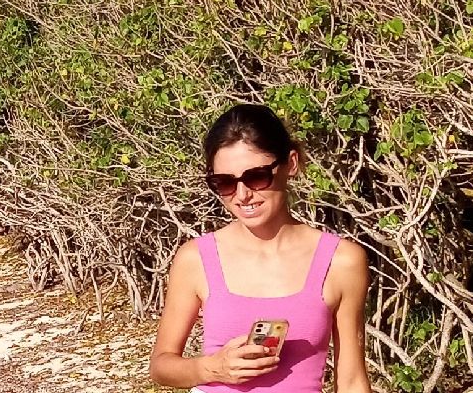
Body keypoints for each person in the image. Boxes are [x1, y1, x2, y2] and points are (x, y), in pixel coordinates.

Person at [149, 104, 372, 392]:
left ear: (290, 164)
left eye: (256, 177)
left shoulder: (342, 261)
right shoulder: (196, 257)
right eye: (224, 182)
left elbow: (352, 379)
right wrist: (212, 367)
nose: (242, 195)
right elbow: (161, 365)